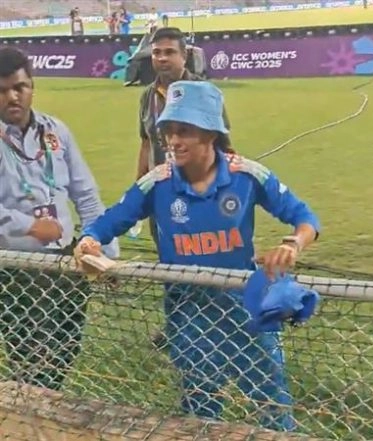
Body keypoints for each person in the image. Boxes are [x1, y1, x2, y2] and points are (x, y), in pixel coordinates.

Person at [74, 81, 319, 430]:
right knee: (200, 412)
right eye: (169, 132)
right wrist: (89, 241)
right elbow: (111, 220)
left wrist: (292, 245)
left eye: (184, 131)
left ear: (210, 133)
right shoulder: (156, 183)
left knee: (272, 403)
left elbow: (305, 217)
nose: (173, 141)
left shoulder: (246, 175)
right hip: (189, 315)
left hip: (245, 310)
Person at [0, 47, 120, 390]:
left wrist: (107, 254)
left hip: (67, 262)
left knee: (66, 345)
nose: (12, 96)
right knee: (31, 353)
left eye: (20, 87)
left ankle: (41, 405)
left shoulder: (57, 131)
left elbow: (85, 194)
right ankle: (33, 410)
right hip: (16, 267)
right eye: (3, 89)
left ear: (32, 86)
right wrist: (28, 226)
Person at [138, 27, 231, 349]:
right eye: (156, 52)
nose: (161, 58)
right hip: (162, 194)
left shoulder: (203, 91)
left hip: (199, 193)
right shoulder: (147, 95)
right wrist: (141, 187)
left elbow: (225, 144)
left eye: (168, 52)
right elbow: (146, 142)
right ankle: (177, 327)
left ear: (184, 55)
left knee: (207, 258)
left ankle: (216, 327)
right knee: (169, 261)